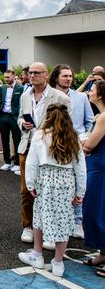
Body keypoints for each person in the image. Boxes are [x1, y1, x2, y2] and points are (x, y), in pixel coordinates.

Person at [18, 104, 86, 277]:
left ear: (48, 117)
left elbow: (32, 162)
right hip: (66, 180)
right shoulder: (73, 136)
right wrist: (80, 192)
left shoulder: (40, 135)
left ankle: (37, 254)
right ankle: (58, 262)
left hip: (45, 179)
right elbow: (80, 167)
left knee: (39, 216)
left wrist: (30, 184)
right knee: (63, 219)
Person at [17, 62, 71, 249]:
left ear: (46, 75)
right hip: (28, 146)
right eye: (30, 73)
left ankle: (49, 230)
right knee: (26, 190)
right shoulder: (25, 95)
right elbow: (20, 117)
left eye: (37, 73)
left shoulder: (60, 97)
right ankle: (28, 226)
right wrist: (22, 124)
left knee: (49, 192)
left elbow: (66, 125)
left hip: (49, 152)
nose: (32, 76)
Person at [50, 63, 94, 239]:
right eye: (65, 76)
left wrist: (84, 138)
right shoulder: (49, 95)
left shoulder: (81, 97)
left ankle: (77, 222)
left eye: (70, 76)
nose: (69, 79)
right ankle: (54, 221)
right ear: (56, 78)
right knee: (55, 183)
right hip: (53, 145)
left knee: (78, 183)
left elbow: (90, 121)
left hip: (76, 145)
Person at [81, 80, 105, 278]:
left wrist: (80, 142)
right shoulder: (99, 116)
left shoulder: (104, 117)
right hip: (94, 165)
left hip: (100, 167)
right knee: (95, 210)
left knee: (96, 210)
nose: (89, 92)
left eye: (92, 89)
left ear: (101, 94)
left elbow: (89, 145)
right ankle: (102, 253)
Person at [0, 69, 24, 173]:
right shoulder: (2, 88)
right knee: (4, 139)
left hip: (14, 117)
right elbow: (1, 101)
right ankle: (7, 162)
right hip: (3, 116)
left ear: (13, 77)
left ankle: (17, 163)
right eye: (5, 77)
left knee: (17, 140)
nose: (6, 79)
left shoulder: (20, 88)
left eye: (8, 77)